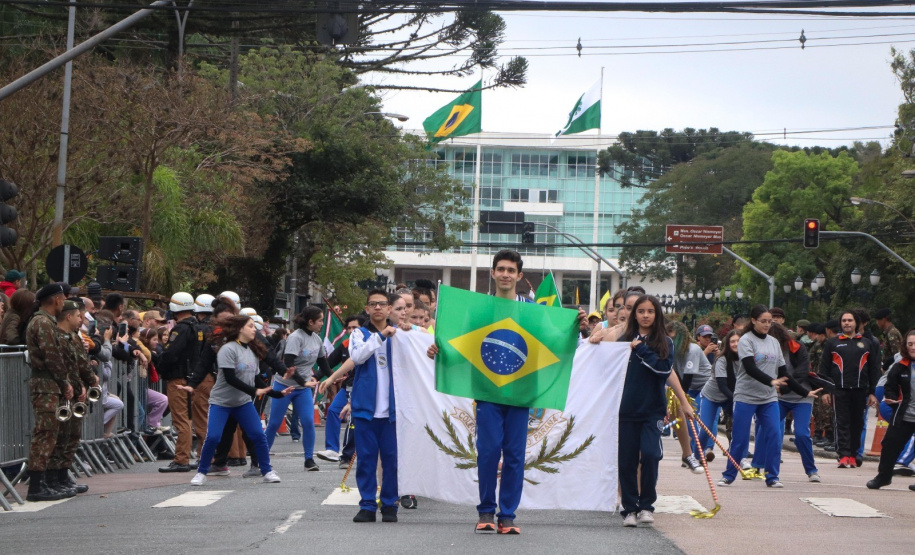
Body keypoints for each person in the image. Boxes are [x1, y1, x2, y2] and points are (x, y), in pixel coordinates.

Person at [176, 315, 291, 486]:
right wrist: (254, 391)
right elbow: (231, 378)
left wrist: (277, 394)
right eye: (250, 326)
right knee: (214, 437)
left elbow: (256, 379)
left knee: (258, 436)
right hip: (221, 403)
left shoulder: (252, 350)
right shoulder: (227, 349)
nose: (255, 329)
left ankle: (267, 471)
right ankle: (201, 472)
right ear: (239, 329)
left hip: (242, 403)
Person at [719, 305, 819, 488]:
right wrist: (771, 381)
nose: (767, 325)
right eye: (763, 321)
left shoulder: (773, 342)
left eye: (769, 322)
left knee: (774, 435)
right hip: (746, 396)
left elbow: (784, 373)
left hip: (768, 399)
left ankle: (772, 477)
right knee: (740, 439)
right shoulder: (745, 340)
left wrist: (805, 392)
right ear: (754, 321)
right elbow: (750, 368)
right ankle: (729, 475)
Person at [618, 295, 677, 527]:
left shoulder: (664, 342)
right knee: (627, 461)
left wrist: (641, 349)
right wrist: (595, 338)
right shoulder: (624, 339)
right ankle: (630, 509)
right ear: (635, 314)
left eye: (650, 311)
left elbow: (663, 369)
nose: (645, 315)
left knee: (651, 455)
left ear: (657, 314)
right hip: (626, 410)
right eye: (640, 311)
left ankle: (646, 506)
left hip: (653, 410)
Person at [350, 289, 401, 524]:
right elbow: (358, 357)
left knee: (391, 460)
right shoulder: (358, 334)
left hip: (393, 412)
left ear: (390, 309)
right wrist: (380, 336)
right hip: (365, 410)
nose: (378, 308)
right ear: (367, 309)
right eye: (373, 304)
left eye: (382, 304)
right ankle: (368, 505)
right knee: (367, 460)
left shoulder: (401, 336)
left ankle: (389, 504)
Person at [265, 305, 330, 471]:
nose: (322, 324)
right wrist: (303, 382)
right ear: (310, 321)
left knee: (308, 422)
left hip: (303, 389)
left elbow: (323, 362)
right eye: (320, 320)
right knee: (273, 423)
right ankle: (262, 458)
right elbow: (288, 364)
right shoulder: (296, 337)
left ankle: (309, 460)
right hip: (284, 386)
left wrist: (332, 377)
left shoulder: (316, 339)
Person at [24, 283, 70, 502]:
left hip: (49, 384)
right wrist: (65, 382)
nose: (64, 302)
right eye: (62, 298)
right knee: (45, 433)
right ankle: (36, 486)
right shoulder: (42, 322)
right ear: (56, 299)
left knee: (50, 432)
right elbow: (51, 356)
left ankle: (43, 482)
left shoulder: (45, 321)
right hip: (45, 384)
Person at [819, 310, 880, 469]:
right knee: (841, 423)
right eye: (844, 320)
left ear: (856, 323)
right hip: (839, 390)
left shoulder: (867, 343)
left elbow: (874, 369)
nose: (847, 323)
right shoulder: (833, 343)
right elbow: (824, 369)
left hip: (860, 391)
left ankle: (853, 455)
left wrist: (873, 392)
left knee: (857, 424)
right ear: (841, 323)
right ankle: (843, 455)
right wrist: (825, 391)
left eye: (850, 320)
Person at [53, 299, 99, 496]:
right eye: (79, 316)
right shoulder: (61, 337)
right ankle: (55, 478)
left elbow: (80, 363)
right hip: (67, 390)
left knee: (72, 436)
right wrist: (75, 385)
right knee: (61, 436)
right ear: (69, 315)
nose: (82, 319)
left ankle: (63, 476)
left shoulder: (73, 336)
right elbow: (67, 365)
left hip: (76, 388)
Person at [769, 322, 820, 482]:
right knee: (771, 432)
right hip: (778, 399)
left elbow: (802, 372)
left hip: (802, 396)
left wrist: (783, 388)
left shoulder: (797, 347)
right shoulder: (766, 352)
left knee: (801, 434)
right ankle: (769, 469)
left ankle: (811, 470)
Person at [866, 330, 915, 490]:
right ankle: (883, 477)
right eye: (910, 344)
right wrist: (891, 397)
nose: (913, 347)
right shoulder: (901, 366)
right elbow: (890, 386)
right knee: (889, 444)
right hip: (904, 415)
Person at [157, 292, 200, 473]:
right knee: (194, 420)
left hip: (179, 378)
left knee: (181, 420)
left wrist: (160, 364)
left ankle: (181, 459)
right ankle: (201, 456)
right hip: (195, 378)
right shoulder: (199, 327)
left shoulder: (181, 329)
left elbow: (171, 354)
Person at [315, 315, 363, 463]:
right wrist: (316, 378)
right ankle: (332, 449)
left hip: (361, 388)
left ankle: (349, 455)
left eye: (355, 327)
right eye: (348, 328)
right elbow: (327, 363)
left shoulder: (367, 343)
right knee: (333, 411)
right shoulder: (345, 345)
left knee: (355, 422)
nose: (351, 330)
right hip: (346, 387)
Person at [666, 321, 707, 472]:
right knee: (680, 415)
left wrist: (682, 398)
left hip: (703, 386)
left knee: (692, 416)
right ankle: (689, 452)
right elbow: (674, 373)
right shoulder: (675, 351)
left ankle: (698, 452)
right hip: (686, 386)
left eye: (672, 337)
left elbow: (688, 377)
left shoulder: (693, 349)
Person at [697, 330, 740, 457]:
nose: (736, 344)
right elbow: (722, 385)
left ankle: (738, 456)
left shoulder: (745, 359)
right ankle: (696, 455)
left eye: (738, 341)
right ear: (727, 343)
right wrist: (736, 400)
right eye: (732, 341)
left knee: (738, 428)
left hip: (730, 396)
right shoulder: (722, 359)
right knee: (706, 429)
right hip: (712, 396)